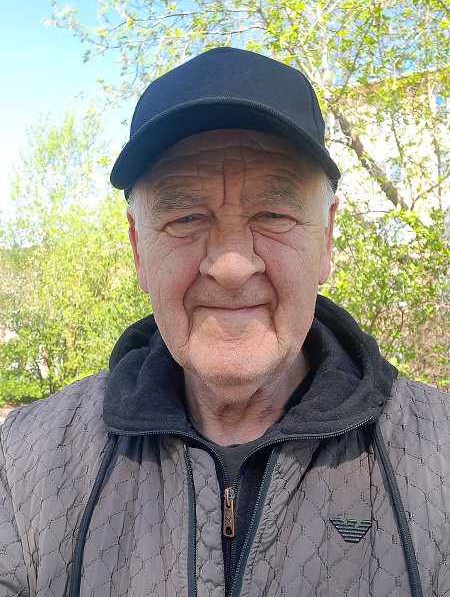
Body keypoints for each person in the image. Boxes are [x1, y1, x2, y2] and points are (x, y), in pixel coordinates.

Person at [0, 47, 448, 597]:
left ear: (326, 239)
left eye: (273, 213)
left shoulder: (438, 460)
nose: (232, 266)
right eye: (186, 217)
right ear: (139, 250)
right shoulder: (26, 464)